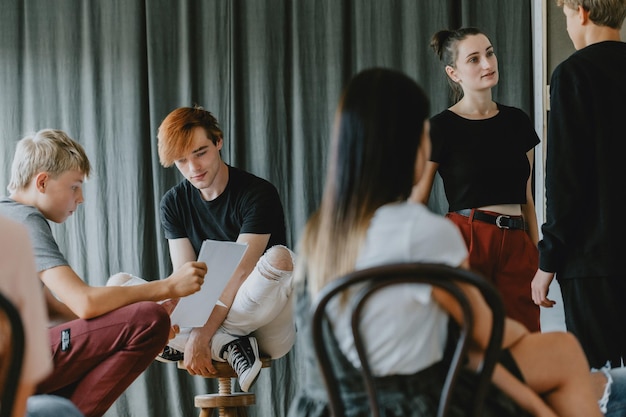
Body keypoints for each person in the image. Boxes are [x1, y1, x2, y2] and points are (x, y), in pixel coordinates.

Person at [288, 67, 605, 417]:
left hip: (332, 406)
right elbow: (484, 332)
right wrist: (518, 331)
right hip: (414, 404)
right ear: (413, 144)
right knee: (562, 350)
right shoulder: (419, 231)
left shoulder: (318, 234)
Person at [0, 129, 207, 417]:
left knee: (142, 318)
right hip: (8, 364)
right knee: (149, 321)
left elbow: (55, 310)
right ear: (43, 182)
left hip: (12, 358)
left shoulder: (8, 216)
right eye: (74, 186)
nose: (81, 198)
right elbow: (84, 302)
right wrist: (168, 287)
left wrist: (122, 321)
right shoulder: (23, 219)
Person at [154, 106, 296, 392]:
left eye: (200, 152)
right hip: (209, 315)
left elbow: (240, 272)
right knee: (119, 285)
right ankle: (229, 344)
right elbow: (185, 278)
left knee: (281, 258)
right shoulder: (173, 203)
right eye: (182, 160)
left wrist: (200, 336)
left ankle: (217, 339)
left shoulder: (257, 193)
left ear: (218, 142)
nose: (193, 168)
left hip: (262, 319)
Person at [410, 27, 541, 332]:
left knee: (526, 337)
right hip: (467, 240)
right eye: (474, 58)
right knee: (472, 339)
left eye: (490, 53)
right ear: (453, 73)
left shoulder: (517, 121)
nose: (487, 63)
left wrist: (538, 257)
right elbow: (417, 202)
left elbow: (528, 199)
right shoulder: (440, 128)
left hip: (518, 244)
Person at [531, 0, 626, 370]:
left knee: (597, 381)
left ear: (581, 12)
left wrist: (547, 260)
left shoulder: (572, 74)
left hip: (592, 262)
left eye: (566, 16)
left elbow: (566, 180)